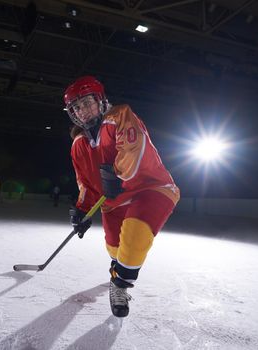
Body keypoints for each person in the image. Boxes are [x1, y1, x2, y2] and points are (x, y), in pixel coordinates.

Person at [64, 76, 180, 318]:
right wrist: (82, 209)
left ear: (100, 99)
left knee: (134, 237)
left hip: (151, 188)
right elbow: (85, 183)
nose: (82, 111)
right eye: (76, 107)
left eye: (86, 103)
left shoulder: (119, 116)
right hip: (113, 202)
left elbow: (133, 150)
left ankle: (120, 286)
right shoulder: (78, 144)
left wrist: (117, 175)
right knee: (116, 250)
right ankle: (117, 271)